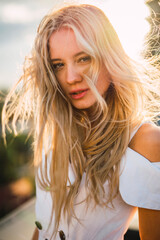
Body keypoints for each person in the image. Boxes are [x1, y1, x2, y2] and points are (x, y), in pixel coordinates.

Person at [2, 3, 160, 240]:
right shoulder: (59, 131)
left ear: (109, 58)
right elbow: (45, 224)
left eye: (83, 58)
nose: (71, 77)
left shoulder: (144, 141)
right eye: (58, 65)